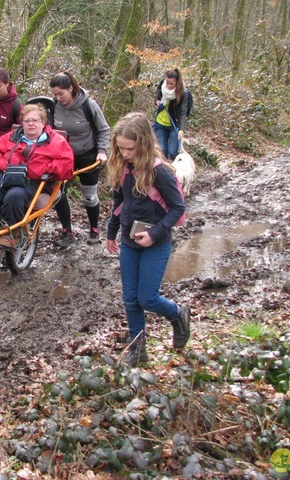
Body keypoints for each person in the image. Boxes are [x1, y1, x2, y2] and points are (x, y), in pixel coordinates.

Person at [105, 112, 191, 366]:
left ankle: (178, 313)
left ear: (142, 144)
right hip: (130, 242)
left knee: (148, 298)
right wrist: (111, 232)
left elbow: (178, 210)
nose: (124, 154)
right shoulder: (122, 167)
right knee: (130, 299)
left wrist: (154, 234)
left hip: (157, 243)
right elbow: (119, 202)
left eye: (129, 149)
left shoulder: (160, 172)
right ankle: (138, 349)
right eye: (119, 148)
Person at [0, 103, 74, 251]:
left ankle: (11, 233)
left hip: (32, 180)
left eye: (35, 120)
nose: (31, 124)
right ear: (22, 123)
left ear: (43, 122)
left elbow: (66, 166)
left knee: (14, 195)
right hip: (5, 172)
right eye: (27, 121)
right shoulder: (13, 136)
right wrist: (5, 164)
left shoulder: (56, 141)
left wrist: (38, 169)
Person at [49, 71, 111, 247]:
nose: (58, 97)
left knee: (89, 196)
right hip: (63, 155)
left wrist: (102, 151)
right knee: (57, 192)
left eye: (61, 93)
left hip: (87, 154)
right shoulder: (54, 106)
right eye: (55, 94)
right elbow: (49, 130)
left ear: (71, 88)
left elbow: (104, 129)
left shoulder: (88, 106)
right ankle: (67, 231)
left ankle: (94, 229)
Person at [153, 68, 190, 160]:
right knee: (162, 152)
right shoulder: (162, 84)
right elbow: (157, 94)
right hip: (160, 123)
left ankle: (176, 168)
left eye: (171, 84)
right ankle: (165, 172)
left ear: (177, 83)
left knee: (173, 152)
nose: (168, 86)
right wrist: (157, 101)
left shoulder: (183, 93)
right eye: (167, 82)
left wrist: (181, 130)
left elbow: (182, 112)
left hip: (174, 125)